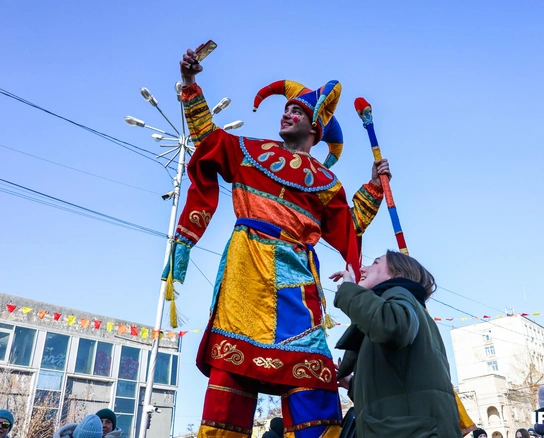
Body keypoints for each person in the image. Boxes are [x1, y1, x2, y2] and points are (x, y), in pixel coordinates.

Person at [163, 46, 391, 438]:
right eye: (285, 109)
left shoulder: (325, 182)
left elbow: (348, 227)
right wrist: (189, 84)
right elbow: (206, 137)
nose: (286, 113)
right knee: (230, 383)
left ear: (315, 127)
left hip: (297, 287)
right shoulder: (249, 151)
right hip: (244, 282)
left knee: (314, 379)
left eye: (296, 111)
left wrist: (372, 186)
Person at [330, 251, 462, 437]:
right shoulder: (402, 307)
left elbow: (392, 328)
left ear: (396, 274)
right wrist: (353, 384)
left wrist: (349, 291)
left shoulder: (399, 294)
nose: (363, 269)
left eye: (375, 263)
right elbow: (398, 390)